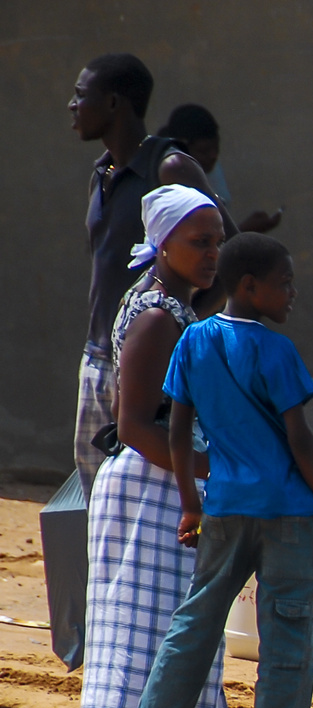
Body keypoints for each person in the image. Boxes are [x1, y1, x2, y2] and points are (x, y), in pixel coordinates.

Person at [102, 234, 313, 708]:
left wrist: (189, 504)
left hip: (224, 506)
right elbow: (299, 439)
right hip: (288, 512)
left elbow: (178, 430)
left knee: (195, 622)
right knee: (288, 636)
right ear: (250, 287)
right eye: (284, 283)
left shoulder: (194, 340)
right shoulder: (278, 351)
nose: (293, 293)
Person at [77, 186, 232, 708]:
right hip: (152, 489)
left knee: (187, 622)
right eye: (199, 242)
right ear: (162, 244)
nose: (213, 252)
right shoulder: (157, 318)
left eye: (216, 241)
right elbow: (135, 424)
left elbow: (239, 258)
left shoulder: (176, 303)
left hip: (169, 482)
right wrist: (208, 471)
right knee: (169, 625)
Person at [69, 53, 235, 494]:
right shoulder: (102, 173)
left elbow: (232, 257)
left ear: (114, 103)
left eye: (81, 96)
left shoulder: (169, 167)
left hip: (148, 363)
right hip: (99, 356)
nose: (72, 105)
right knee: (100, 495)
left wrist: (173, 318)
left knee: (151, 495)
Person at [156, 103, 282, 233]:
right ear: (182, 151)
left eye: (216, 148)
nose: (213, 156)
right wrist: (244, 231)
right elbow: (200, 243)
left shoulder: (209, 169)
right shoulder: (168, 185)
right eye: (203, 151)